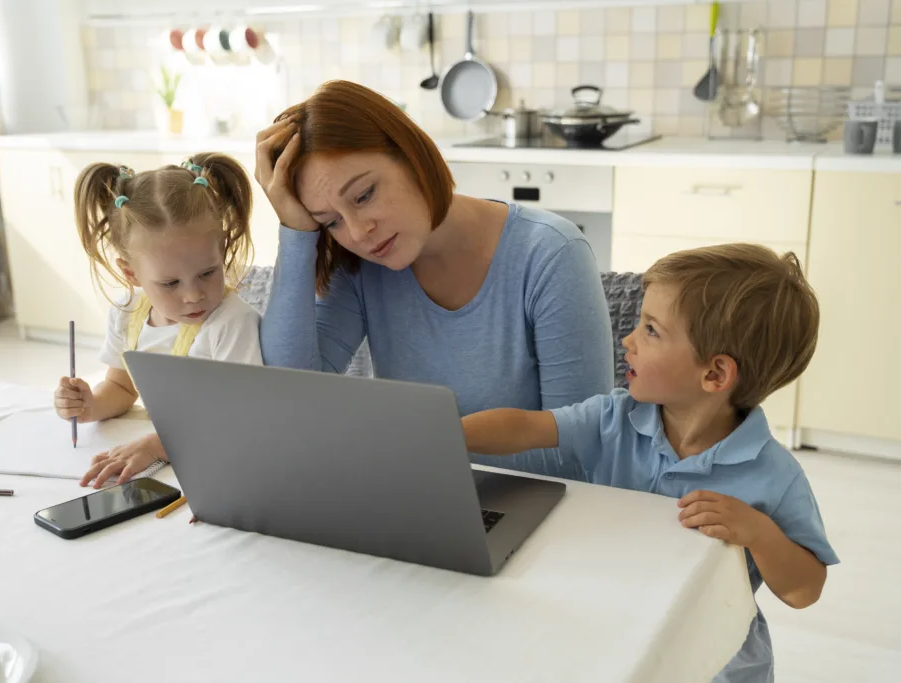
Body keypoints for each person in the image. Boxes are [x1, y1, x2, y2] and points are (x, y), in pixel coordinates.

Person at [462, 243, 838, 683]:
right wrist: (445, 434)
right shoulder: (612, 419)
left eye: (651, 330)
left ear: (715, 375)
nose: (628, 339)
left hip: (718, 668)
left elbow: (804, 591)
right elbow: (526, 428)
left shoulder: (773, 475)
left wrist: (759, 532)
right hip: (609, 641)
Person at [254, 80, 614, 479]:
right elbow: (292, 394)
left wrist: (413, 450)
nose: (358, 232)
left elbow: (580, 451)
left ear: (410, 154)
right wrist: (296, 231)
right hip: (412, 494)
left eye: (363, 195)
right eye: (331, 221)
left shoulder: (551, 254)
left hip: (535, 510)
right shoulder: (359, 265)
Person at [53, 153, 263, 488]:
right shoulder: (128, 314)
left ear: (222, 249)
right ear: (130, 273)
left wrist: (156, 445)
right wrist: (90, 405)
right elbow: (122, 387)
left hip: (216, 464)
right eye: (170, 283)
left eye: (207, 273)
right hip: (159, 462)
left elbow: (237, 417)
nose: (193, 295)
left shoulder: (232, 323)